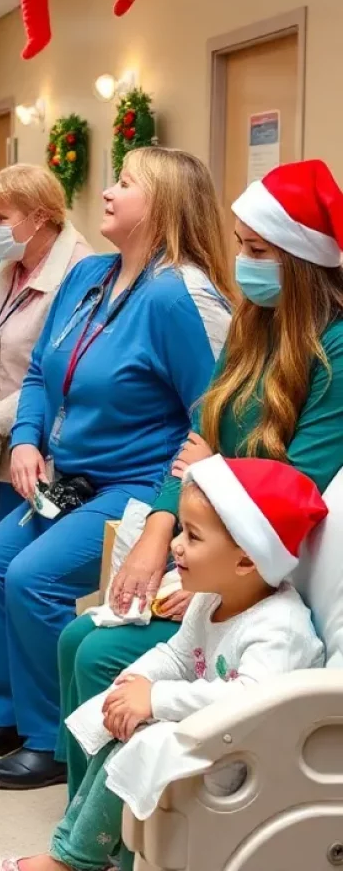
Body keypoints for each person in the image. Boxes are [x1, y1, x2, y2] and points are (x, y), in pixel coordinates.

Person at [0, 146, 234, 790]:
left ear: (161, 207)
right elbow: (44, 368)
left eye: (125, 184)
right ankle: (13, 715)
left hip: (136, 486)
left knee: (32, 579)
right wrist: (24, 438)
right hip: (68, 479)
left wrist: (170, 519)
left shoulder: (177, 297)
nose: (106, 192)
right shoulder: (90, 276)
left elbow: (212, 416)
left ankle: (52, 741)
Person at [58, 157, 343, 803]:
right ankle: (88, 822)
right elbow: (204, 430)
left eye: (255, 250)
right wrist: (161, 531)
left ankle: (116, 832)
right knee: (78, 634)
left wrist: (219, 565)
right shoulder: (253, 328)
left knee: (100, 656)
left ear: (299, 261)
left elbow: (293, 487)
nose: (240, 263)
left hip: (259, 570)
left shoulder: (337, 354)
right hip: (218, 543)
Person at [0, 457, 326, 871]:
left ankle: (69, 862)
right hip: (221, 735)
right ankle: (86, 852)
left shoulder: (278, 629)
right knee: (121, 725)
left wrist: (155, 700)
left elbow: (252, 703)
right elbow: (177, 653)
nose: (176, 545)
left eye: (192, 536)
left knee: (140, 740)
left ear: (246, 561)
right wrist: (137, 681)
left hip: (257, 761)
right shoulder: (213, 598)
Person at [0, 165, 93, 688]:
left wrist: (2, 418)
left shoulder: (81, 271)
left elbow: (61, 370)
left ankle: (19, 671)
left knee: (21, 565)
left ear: (39, 217)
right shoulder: (7, 267)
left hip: (42, 448)